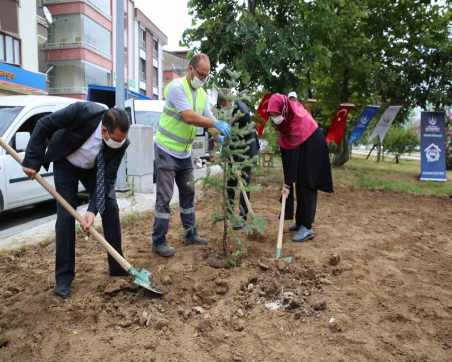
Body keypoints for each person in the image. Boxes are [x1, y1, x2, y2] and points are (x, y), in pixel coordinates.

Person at [22, 102, 130, 298]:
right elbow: (44, 124)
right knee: (65, 216)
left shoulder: (121, 142)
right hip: (66, 163)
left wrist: (91, 211)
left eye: (121, 140)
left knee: (110, 206)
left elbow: (107, 179)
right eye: (115, 139)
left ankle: (118, 265)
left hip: (92, 170)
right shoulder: (83, 112)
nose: (118, 143)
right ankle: (64, 278)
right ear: (104, 131)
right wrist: (32, 160)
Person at [152, 53, 231, 257]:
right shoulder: (177, 87)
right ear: (190, 69)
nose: (202, 79)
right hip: (166, 150)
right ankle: (158, 241)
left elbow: (209, 118)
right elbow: (188, 117)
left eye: (206, 76)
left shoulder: (202, 94)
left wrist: (219, 134)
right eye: (200, 74)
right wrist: (214, 124)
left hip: (184, 153)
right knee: (165, 197)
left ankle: (190, 234)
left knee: (188, 193)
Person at [267, 93, 333, 242]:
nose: (275, 117)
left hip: (312, 145)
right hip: (302, 144)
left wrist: (288, 179)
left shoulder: (298, 119)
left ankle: (307, 227)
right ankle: (300, 222)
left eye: (277, 114)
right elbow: (287, 145)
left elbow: (292, 149)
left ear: (283, 109)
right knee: (298, 181)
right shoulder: (287, 114)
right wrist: (288, 180)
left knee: (307, 183)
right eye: (272, 114)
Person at [217, 93, 259, 229]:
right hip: (234, 151)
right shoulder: (231, 109)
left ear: (226, 102)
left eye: (222, 106)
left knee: (243, 184)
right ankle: (229, 213)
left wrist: (239, 164)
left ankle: (242, 216)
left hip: (246, 151)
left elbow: (241, 135)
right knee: (231, 182)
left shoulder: (240, 110)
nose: (222, 110)